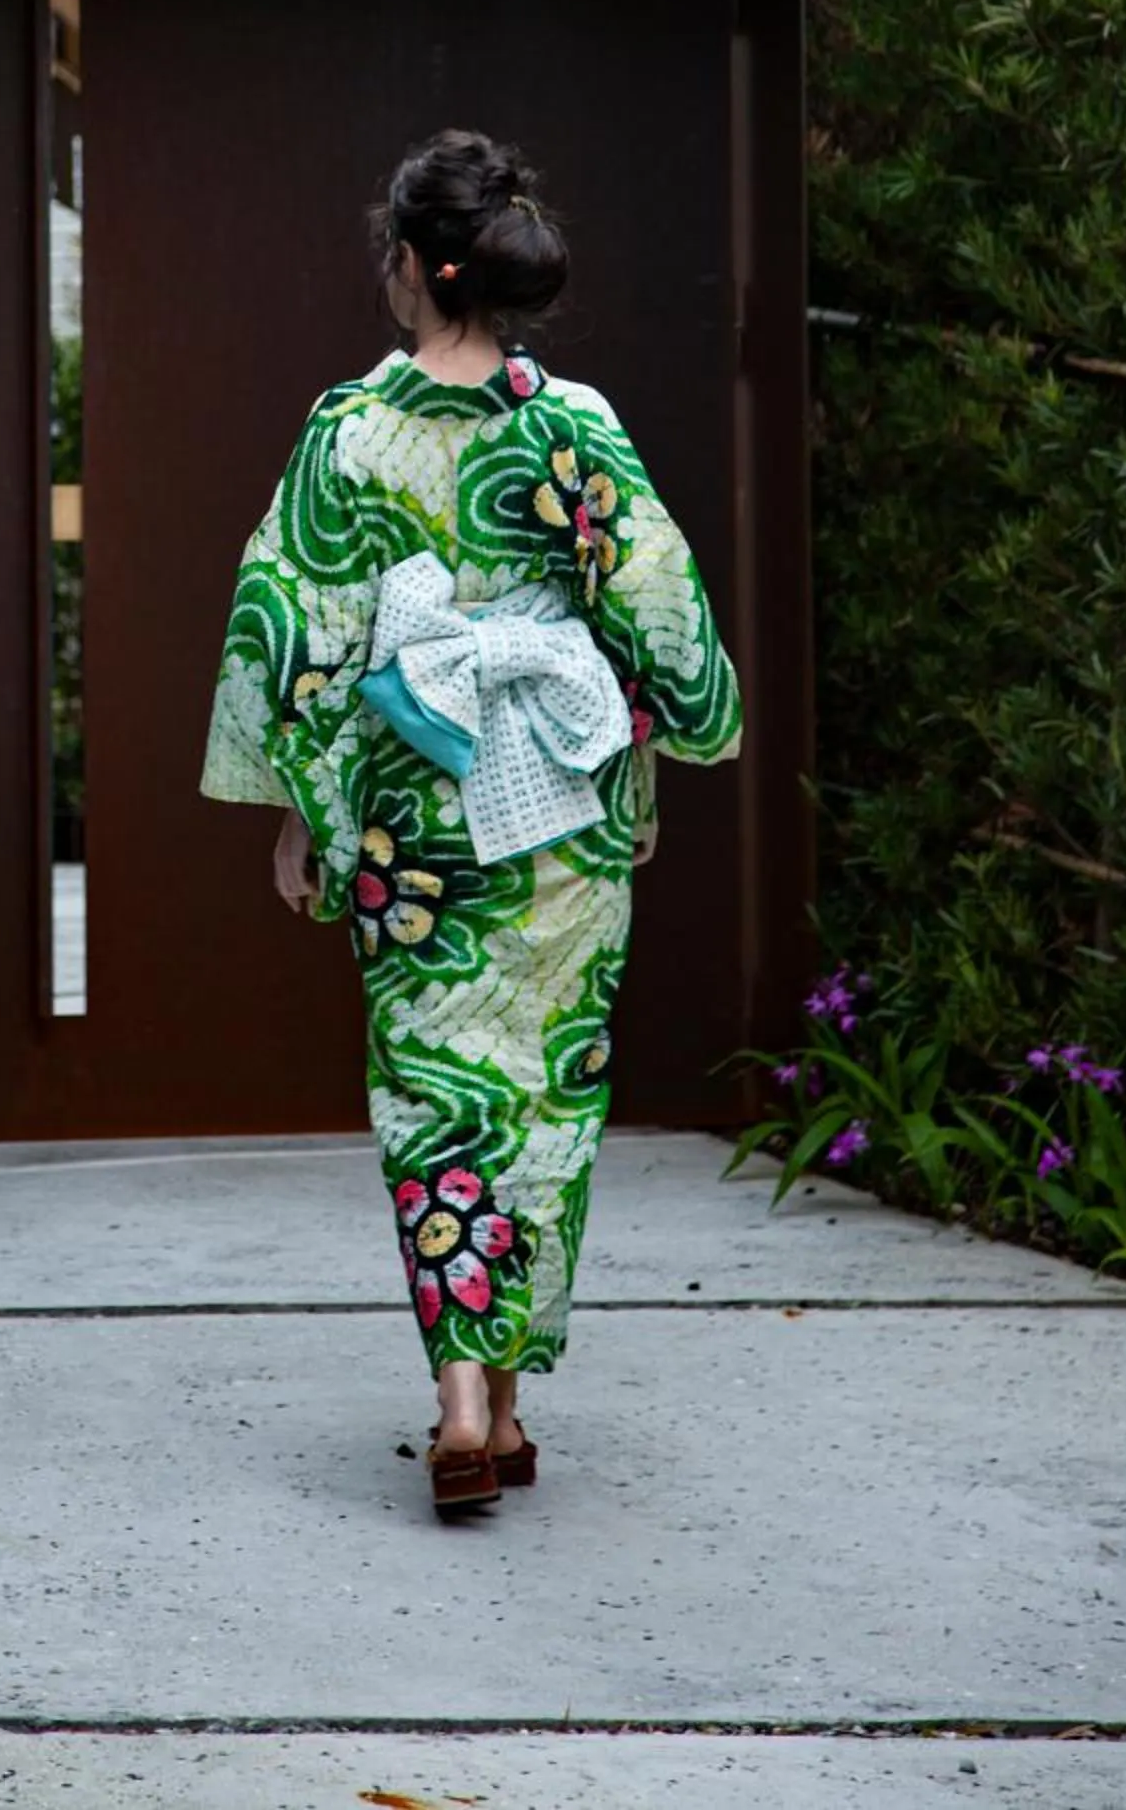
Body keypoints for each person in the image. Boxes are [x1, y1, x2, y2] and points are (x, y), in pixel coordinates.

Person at [201, 130, 741, 1517]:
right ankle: (501, 1410)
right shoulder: (577, 427)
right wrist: (680, 729)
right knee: (548, 1090)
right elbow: (663, 612)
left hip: (408, 825)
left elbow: (291, 625)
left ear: (405, 267)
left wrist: (298, 813)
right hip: (562, 813)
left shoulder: (346, 432)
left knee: (433, 1096)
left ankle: (458, 1401)